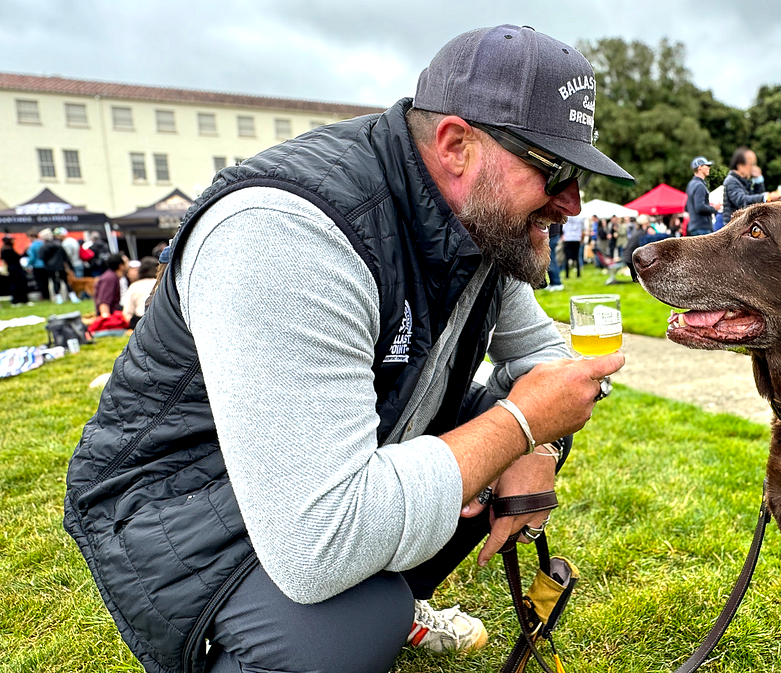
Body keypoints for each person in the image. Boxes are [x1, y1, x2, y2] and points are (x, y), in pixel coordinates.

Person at [63, 25, 631, 673]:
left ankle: (387, 588)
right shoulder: (286, 231)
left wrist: (540, 444)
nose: (573, 202)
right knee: (350, 629)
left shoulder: (479, 220)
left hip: (321, 467)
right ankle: (323, 619)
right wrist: (520, 426)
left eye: (578, 174)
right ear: (456, 145)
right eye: (554, 169)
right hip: (182, 504)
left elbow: (555, 373)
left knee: (538, 412)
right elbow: (314, 545)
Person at [722, 147, 781, 223]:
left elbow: (757, 197)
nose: (754, 168)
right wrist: (765, 197)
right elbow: (741, 201)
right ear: (740, 166)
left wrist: (758, 179)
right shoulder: (731, 180)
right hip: (732, 226)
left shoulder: (744, 181)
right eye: (751, 164)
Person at [122, 256, 159, 330]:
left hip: (140, 322)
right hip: (160, 320)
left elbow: (127, 313)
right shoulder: (161, 284)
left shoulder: (134, 286)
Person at [684, 156, 718, 236]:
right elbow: (699, 206)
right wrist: (714, 208)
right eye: (707, 166)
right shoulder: (700, 185)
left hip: (693, 226)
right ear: (700, 168)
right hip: (702, 227)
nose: (709, 168)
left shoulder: (690, 184)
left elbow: (687, 207)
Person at [40, 227, 71, 304]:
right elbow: (65, 256)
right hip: (61, 266)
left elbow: (42, 257)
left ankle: (58, 298)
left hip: (50, 267)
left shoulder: (44, 246)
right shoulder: (59, 244)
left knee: (54, 282)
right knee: (66, 281)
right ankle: (72, 296)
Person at [92, 253, 126, 317]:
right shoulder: (110, 278)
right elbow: (104, 303)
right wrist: (107, 322)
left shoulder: (114, 276)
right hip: (110, 317)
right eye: (127, 262)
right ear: (121, 266)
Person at [1, 237, 31, 305]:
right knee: (18, 284)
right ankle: (18, 300)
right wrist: (25, 252)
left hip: (13, 269)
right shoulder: (8, 250)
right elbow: (17, 258)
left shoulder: (5, 249)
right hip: (15, 269)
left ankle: (18, 300)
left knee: (16, 284)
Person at [26, 229, 49, 301]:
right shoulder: (43, 243)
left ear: (31, 237)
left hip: (37, 266)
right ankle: (48, 295)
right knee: (46, 281)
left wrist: (28, 265)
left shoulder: (32, 245)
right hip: (45, 265)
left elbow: (32, 257)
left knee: (40, 282)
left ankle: (44, 296)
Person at [562, 212, 584, 278]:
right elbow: (583, 229)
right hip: (577, 239)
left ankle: (567, 275)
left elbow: (563, 228)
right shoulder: (580, 218)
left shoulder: (566, 218)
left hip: (568, 238)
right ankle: (578, 274)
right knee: (577, 257)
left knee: (567, 258)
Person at [544, 219, 564, 291]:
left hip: (551, 235)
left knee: (550, 259)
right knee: (550, 259)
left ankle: (556, 282)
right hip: (554, 234)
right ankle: (553, 282)